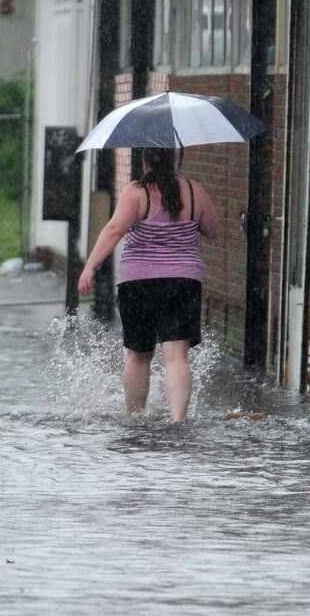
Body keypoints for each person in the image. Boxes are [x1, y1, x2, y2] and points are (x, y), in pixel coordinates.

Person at [77, 147, 219, 422]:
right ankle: (178, 419)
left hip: (138, 283)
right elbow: (213, 229)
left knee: (139, 355)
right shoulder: (193, 191)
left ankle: (135, 417)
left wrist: (90, 267)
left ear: (144, 161)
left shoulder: (135, 192)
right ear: (173, 158)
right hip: (182, 281)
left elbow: (114, 230)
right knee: (176, 357)